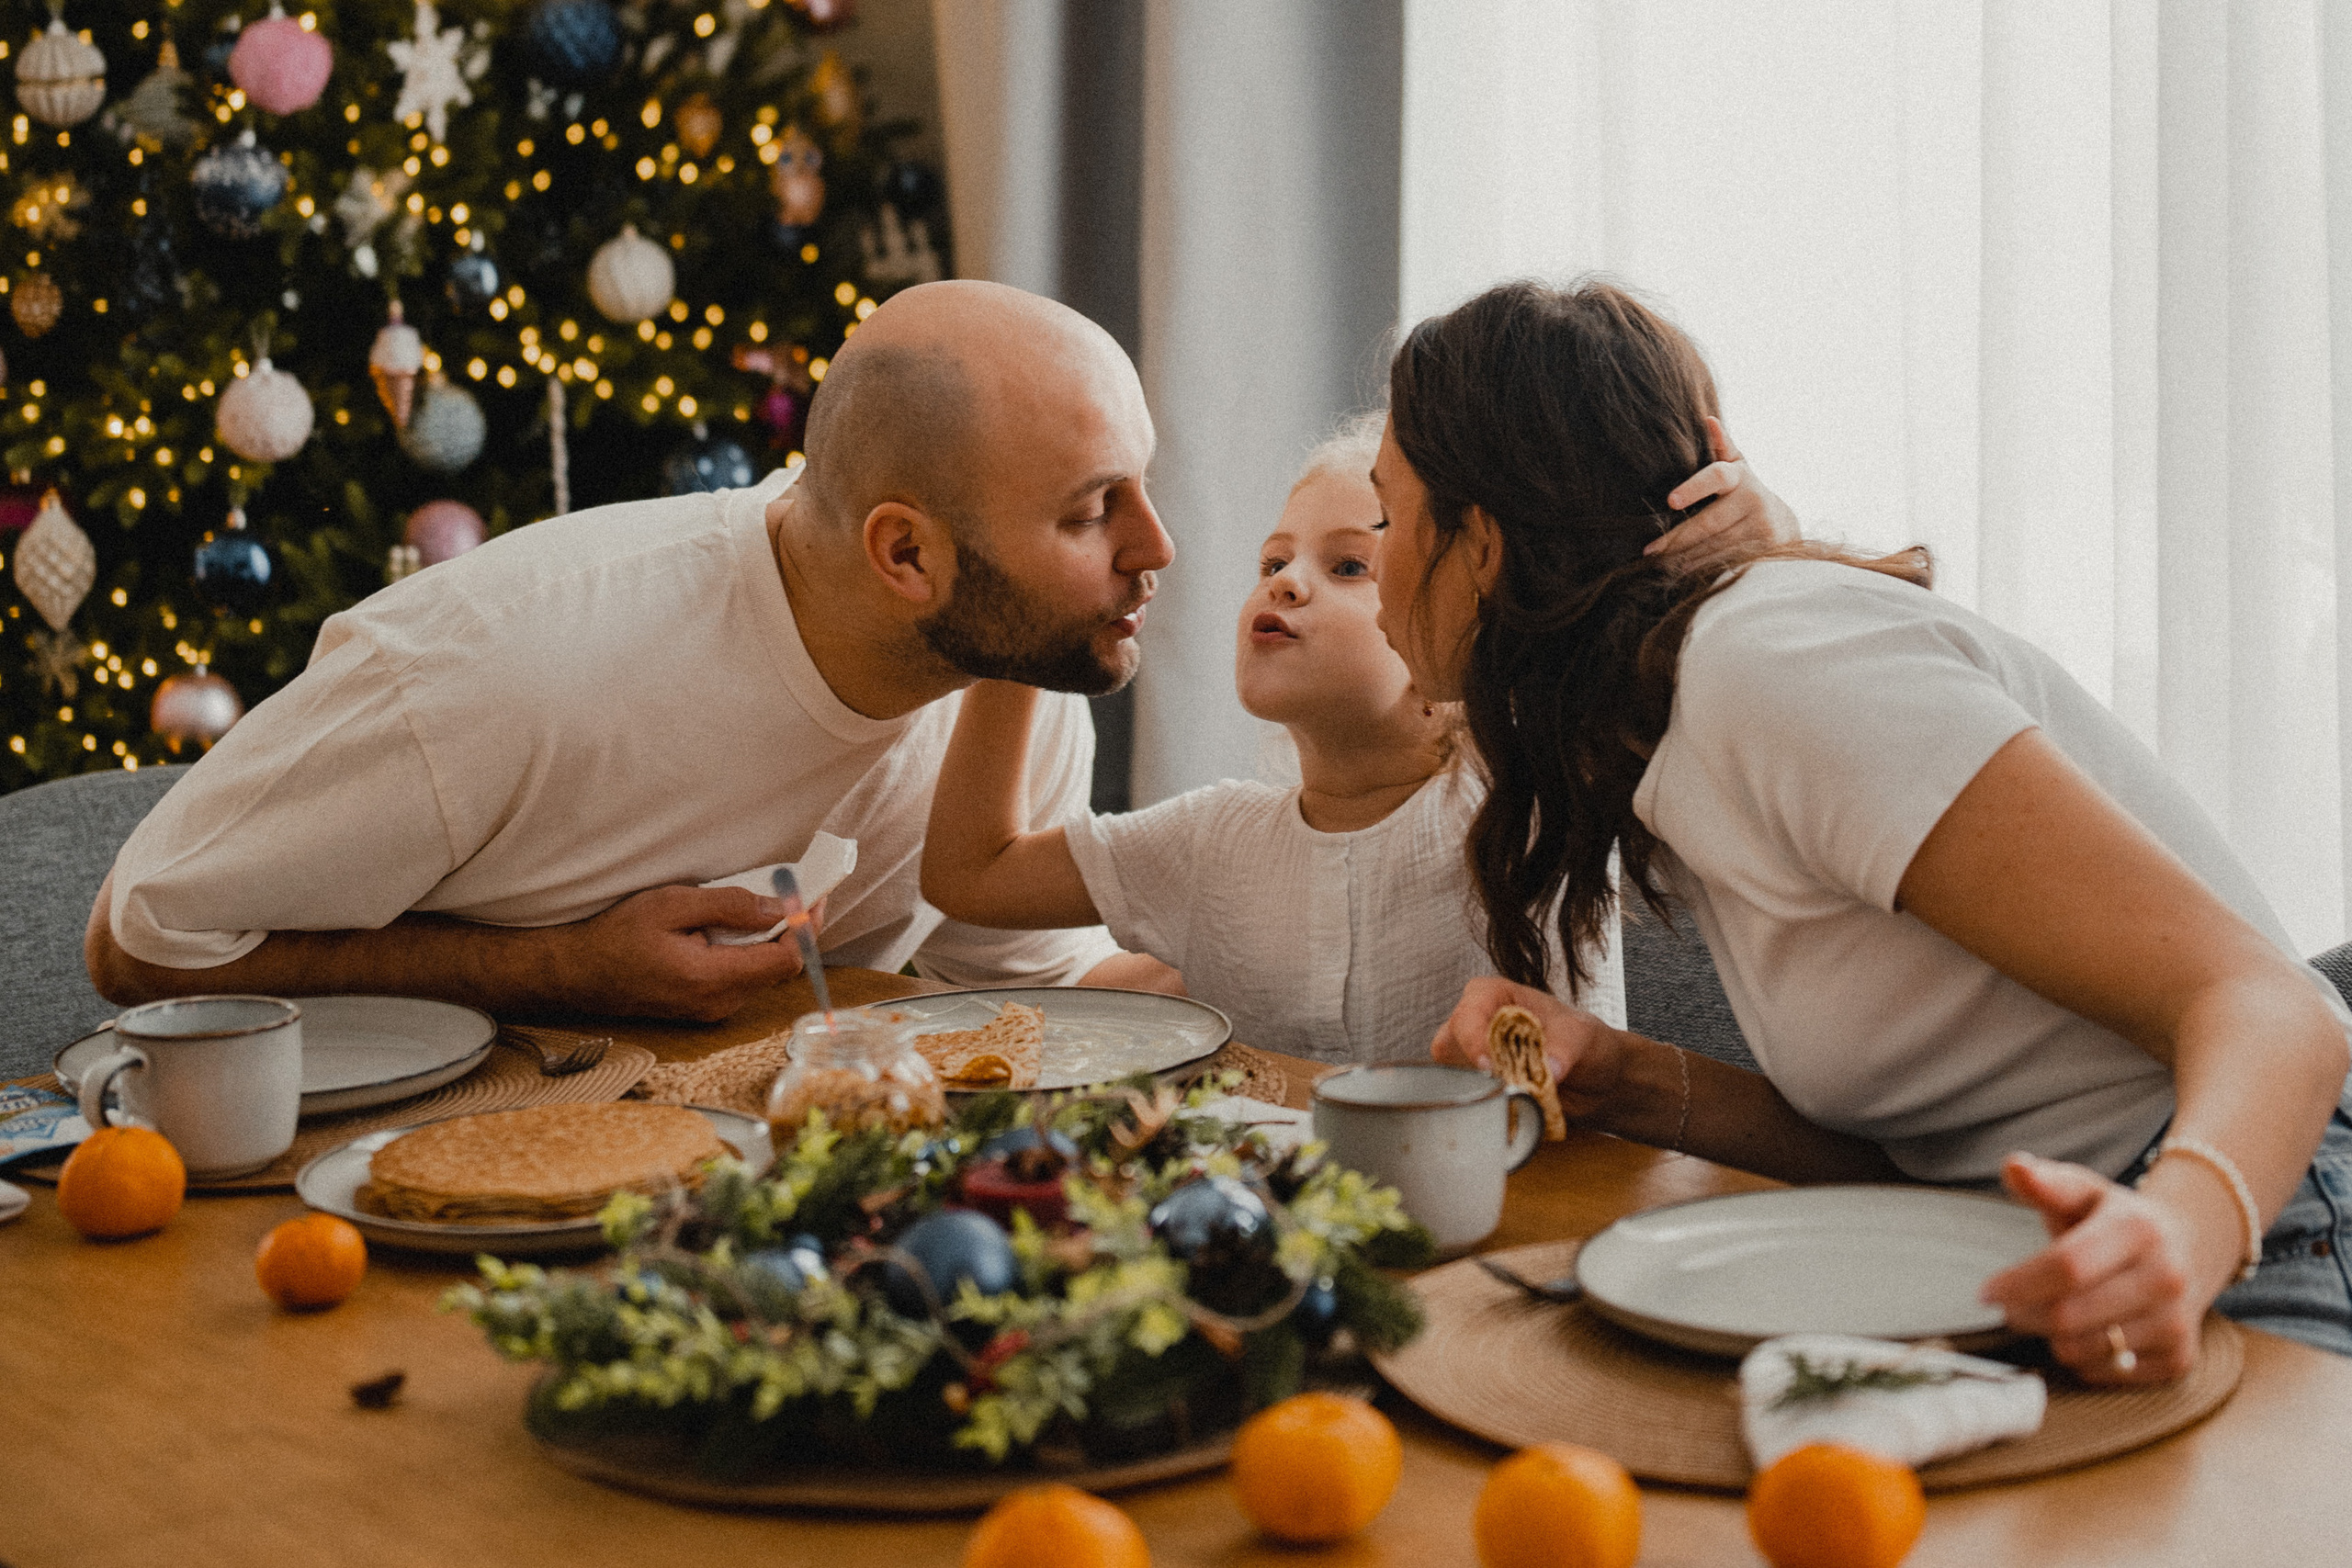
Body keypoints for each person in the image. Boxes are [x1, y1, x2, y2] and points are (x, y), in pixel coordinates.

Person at [1384, 279, 2352, 1377]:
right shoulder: (1673, 729)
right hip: (2029, 1255)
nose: (1374, 565)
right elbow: (1918, 1156)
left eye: (1383, 514)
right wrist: (1626, 1077)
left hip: (2261, 1227)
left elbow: (2281, 1006)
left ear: (1483, 543)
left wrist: (2179, 1229)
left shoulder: (1772, 662)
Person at [85, 280, 1179, 1021]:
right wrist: (559, 970)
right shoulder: (494, 672)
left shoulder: (1012, 670)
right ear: (904, 554)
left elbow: (1016, 990)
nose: (1156, 546)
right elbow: (141, 940)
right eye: (1092, 513)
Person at [919, 414, 1789, 1062]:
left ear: (1459, 616)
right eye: (1273, 562)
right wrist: (1022, 623)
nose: (1288, 583)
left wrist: (1761, 546)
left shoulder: (1533, 799)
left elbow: (1693, 690)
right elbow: (971, 871)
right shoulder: (1212, 843)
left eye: (1346, 567)